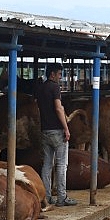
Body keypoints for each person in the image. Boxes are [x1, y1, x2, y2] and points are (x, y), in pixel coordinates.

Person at [35, 63, 77, 207]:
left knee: (47, 165)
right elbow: (58, 109)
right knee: (61, 165)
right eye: (59, 74)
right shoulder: (54, 87)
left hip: (45, 130)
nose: (61, 77)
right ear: (52, 74)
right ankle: (62, 197)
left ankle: (46, 196)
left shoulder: (41, 88)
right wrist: (66, 128)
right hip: (57, 131)